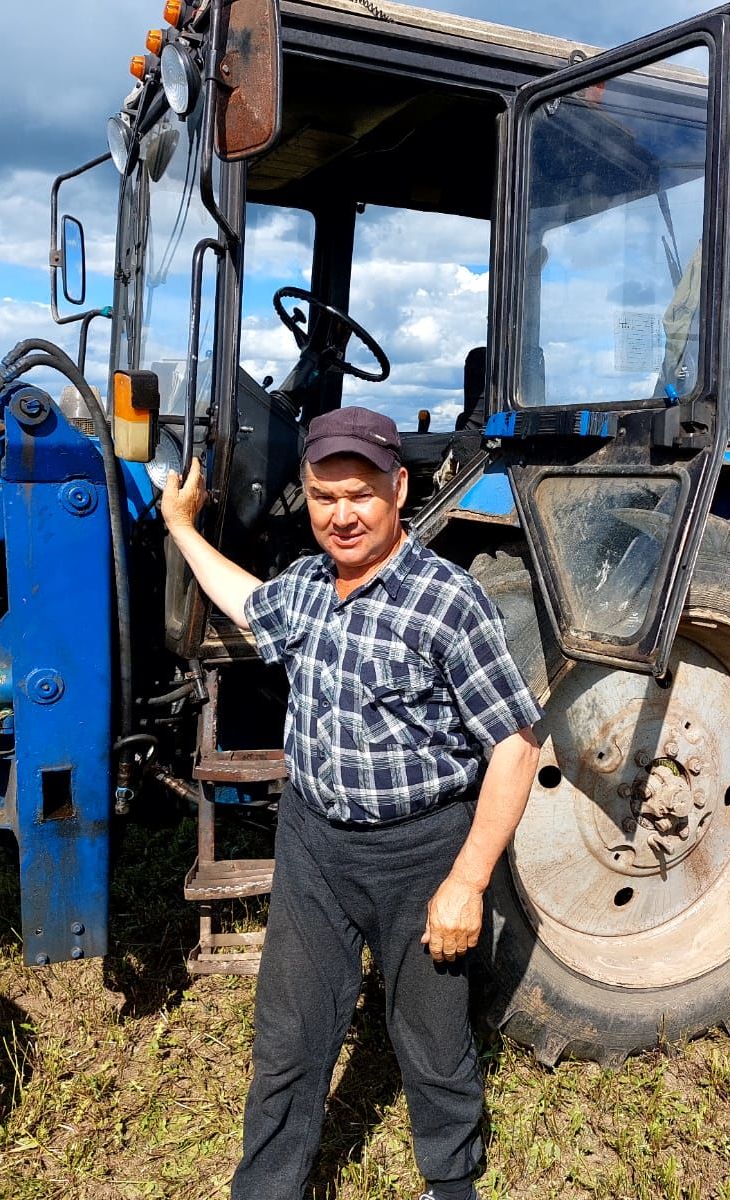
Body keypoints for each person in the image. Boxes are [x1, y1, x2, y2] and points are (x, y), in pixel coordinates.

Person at [161, 405, 543, 1200]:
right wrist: (181, 527)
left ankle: (452, 1180)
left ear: (398, 489)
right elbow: (244, 599)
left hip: (419, 852)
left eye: (360, 494)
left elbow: (515, 743)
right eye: (323, 494)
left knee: (432, 1038)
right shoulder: (303, 588)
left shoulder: (448, 602)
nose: (341, 514)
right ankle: (267, 1188)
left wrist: (467, 882)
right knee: (289, 1038)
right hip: (313, 846)